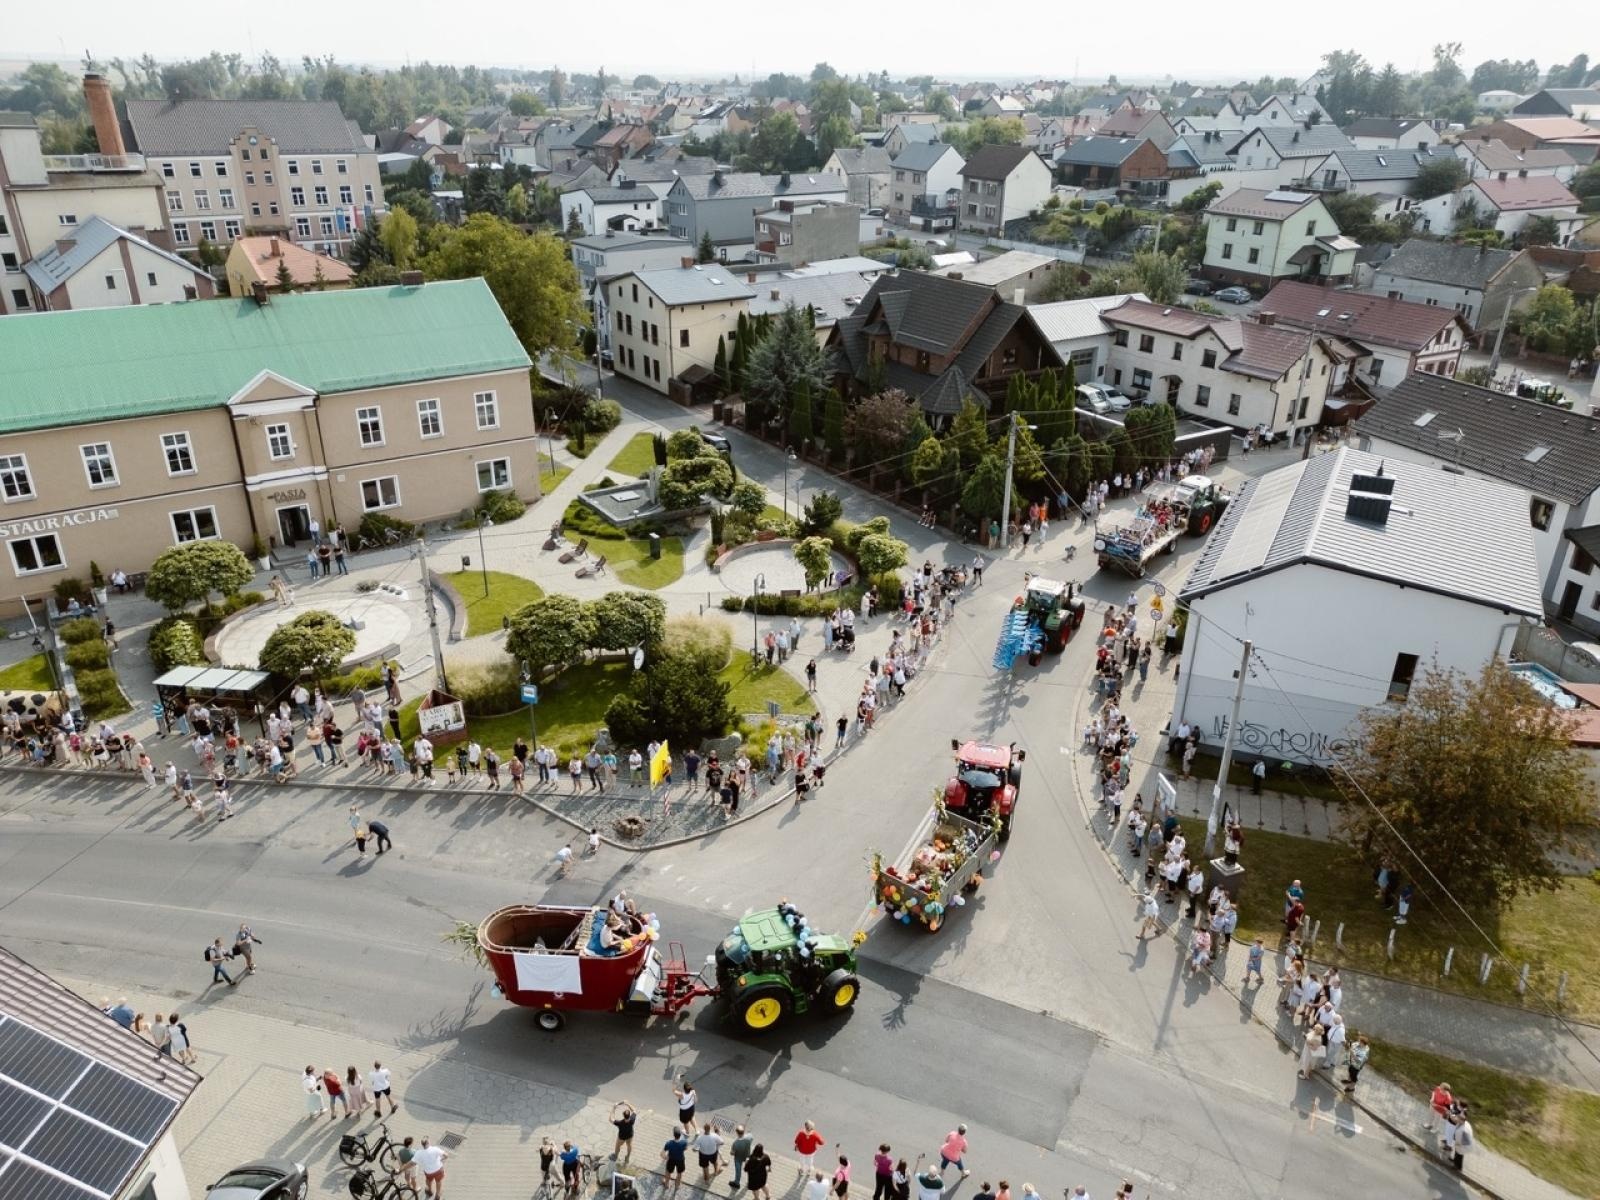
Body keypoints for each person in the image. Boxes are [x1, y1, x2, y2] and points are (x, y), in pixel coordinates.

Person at [660, 1126, 690, 1197]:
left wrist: (666, 1158)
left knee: (668, 1172)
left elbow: (661, 1154)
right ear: (680, 1135)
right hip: (680, 1160)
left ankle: (667, 1184)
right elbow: (686, 1148)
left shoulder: (669, 1143)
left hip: (671, 1160)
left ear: (673, 1135)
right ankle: (677, 1186)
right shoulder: (684, 1142)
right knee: (679, 1173)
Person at [730, 1125, 753, 1189]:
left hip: (738, 1158)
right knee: (749, 1169)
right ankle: (750, 1181)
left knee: (738, 1170)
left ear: (737, 1133)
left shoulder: (735, 1143)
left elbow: (732, 1153)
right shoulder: (749, 1137)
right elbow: (751, 1138)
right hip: (747, 1156)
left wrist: (731, 1152)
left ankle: (737, 1183)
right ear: (744, 1132)